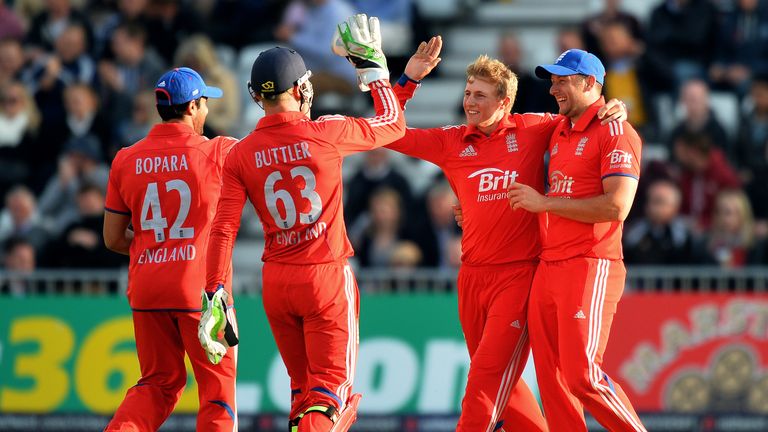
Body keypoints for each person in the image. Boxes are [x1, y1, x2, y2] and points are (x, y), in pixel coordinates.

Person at [389, 42, 626, 430]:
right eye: (467, 92)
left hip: (520, 277)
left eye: (480, 95)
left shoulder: (535, 128)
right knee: (508, 389)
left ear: (505, 101)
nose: (469, 101)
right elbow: (387, 133)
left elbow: (587, 115)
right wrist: (409, 80)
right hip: (471, 277)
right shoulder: (452, 141)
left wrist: (616, 107)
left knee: (484, 381)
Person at [201, 14, 404, 432]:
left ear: (257, 96)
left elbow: (223, 228)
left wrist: (215, 289)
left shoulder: (241, 154)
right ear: (299, 89)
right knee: (331, 395)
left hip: (277, 282)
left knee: (303, 392)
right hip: (325, 276)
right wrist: (375, 73)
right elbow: (393, 124)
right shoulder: (324, 132)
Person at [508, 49, 646, 431]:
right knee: (553, 382)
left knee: (582, 376)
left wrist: (543, 203)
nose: (553, 88)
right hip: (549, 266)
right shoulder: (559, 129)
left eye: (562, 80)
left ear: (590, 83)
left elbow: (618, 207)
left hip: (590, 262)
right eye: (552, 80)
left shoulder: (615, 130)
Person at [102, 67, 238, 431]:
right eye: (205, 102)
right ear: (192, 106)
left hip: (147, 287)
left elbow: (113, 238)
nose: (207, 110)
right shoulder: (217, 151)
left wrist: (155, 245)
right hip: (201, 291)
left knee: (157, 385)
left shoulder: (125, 158)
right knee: (217, 391)